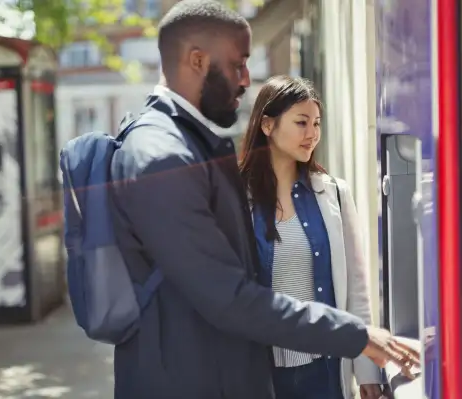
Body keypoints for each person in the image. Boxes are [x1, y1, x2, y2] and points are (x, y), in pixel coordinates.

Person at [109, 1, 419, 398]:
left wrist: (360, 355)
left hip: (315, 374)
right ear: (198, 60)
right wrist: (357, 336)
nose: (244, 80)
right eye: (237, 64)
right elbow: (230, 300)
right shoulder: (164, 157)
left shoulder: (180, 147)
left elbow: (351, 290)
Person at [239, 75, 383, 399]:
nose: (312, 134)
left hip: (327, 370)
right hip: (260, 375)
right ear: (267, 125)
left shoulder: (333, 193)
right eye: (301, 122)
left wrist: (369, 372)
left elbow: (356, 292)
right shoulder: (235, 199)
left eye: (316, 123)